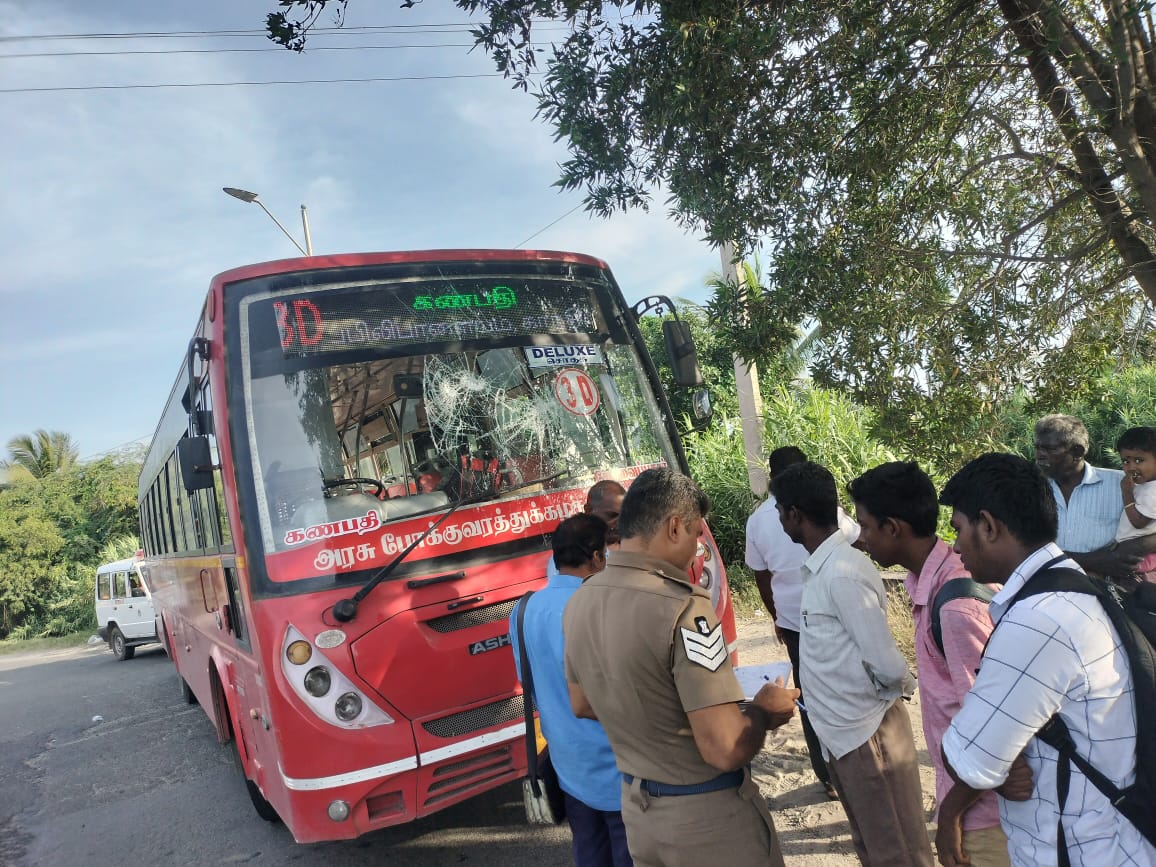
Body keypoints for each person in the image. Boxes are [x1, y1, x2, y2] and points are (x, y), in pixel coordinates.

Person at [564, 467, 798, 867]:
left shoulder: (581, 601)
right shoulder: (685, 608)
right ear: (674, 527)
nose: (695, 550)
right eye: (694, 534)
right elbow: (725, 749)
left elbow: (582, 704)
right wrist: (762, 711)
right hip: (707, 824)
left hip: (640, 817)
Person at [937, 453, 1155, 866]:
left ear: (988, 525)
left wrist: (994, 755)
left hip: (1083, 852)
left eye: (959, 529)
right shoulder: (1075, 585)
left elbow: (972, 761)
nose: (955, 545)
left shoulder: (1038, 620)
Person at [772, 461, 931, 867]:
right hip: (846, 739)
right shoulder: (822, 570)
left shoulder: (842, 572)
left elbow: (887, 665)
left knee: (897, 850)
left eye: (779, 511)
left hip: (868, 736)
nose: (779, 519)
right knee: (874, 847)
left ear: (795, 515)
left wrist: (896, 692)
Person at [848, 462, 1008, 866]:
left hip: (987, 812)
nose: (861, 539)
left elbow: (997, 729)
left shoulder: (956, 605)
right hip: (970, 794)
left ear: (893, 528)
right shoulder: (932, 586)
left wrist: (952, 813)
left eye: (865, 526)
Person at [510, 514, 632, 866]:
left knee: (589, 849)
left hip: (567, 757)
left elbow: (530, 681)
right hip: (614, 758)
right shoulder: (598, 607)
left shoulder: (522, 609)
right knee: (629, 850)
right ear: (596, 557)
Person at [744, 445, 859, 801]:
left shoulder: (758, 519)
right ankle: (854, 766)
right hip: (837, 612)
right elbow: (857, 539)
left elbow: (762, 577)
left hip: (794, 620)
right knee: (847, 684)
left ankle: (827, 776)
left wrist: (777, 616)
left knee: (808, 693)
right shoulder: (825, 509)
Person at [1033, 414, 1156, 578]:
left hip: (1110, 590)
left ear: (1078, 451)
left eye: (1050, 449)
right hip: (1047, 586)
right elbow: (1024, 552)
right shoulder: (1032, 491)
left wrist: (1135, 548)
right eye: (1038, 448)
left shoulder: (1124, 484)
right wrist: (1095, 560)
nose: (1040, 455)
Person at [1116, 425, 1156, 584]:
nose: (1131, 467)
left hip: (1143, 558)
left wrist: (1127, 494)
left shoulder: (1153, 490)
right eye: (1126, 461)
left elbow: (1139, 522)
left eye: (1139, 460)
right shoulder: (1144, 486)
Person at [584, 480, 627, 547]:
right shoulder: (571, 550)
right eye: (612, 515)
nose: (620, 522)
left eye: (624, 516)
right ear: (588, 510)